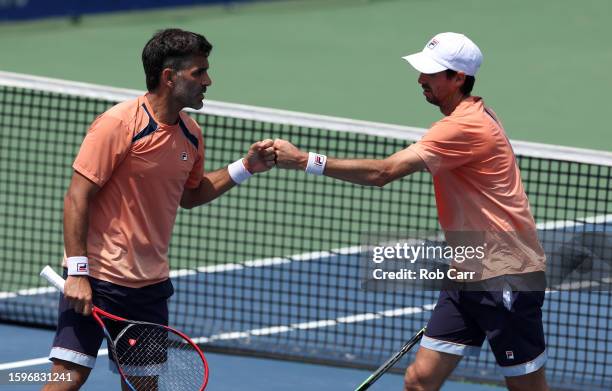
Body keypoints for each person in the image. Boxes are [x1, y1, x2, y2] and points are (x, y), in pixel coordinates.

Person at [274, 32, 548, 391]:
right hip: (467, 269)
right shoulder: (470, 113)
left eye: (432, 73)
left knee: (527, 389)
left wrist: (304, 161)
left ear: (459, 78)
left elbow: (383, 173)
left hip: (506, 275)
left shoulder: (464, 126)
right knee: (419, 381)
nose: (421, 80)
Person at [43, 28, 276, 390]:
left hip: (149, 292)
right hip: (98, 280)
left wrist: (245, 167)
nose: (208, 80)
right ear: (169, 77)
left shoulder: (191, 133)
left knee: (142, 387)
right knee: (66, 382)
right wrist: (77, 272)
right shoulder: (118, 125)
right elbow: (77, 196)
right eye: (199, 72)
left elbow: (191, 195)